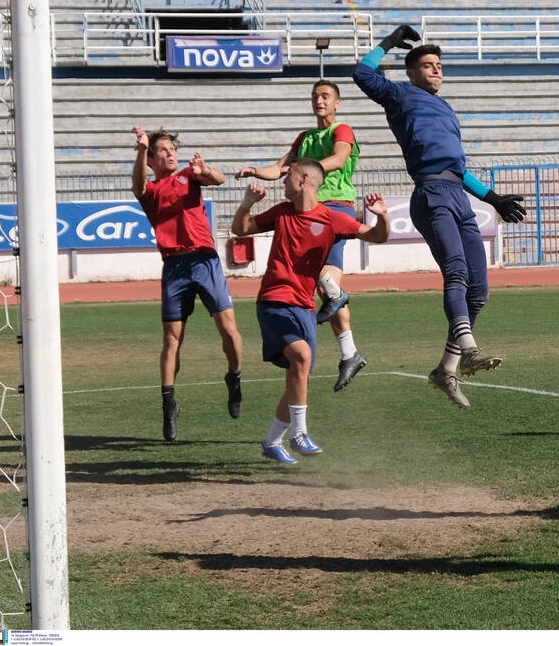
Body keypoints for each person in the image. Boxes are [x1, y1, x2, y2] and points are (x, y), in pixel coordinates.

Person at [352, 25, 527, 409]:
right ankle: (468, 349)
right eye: (429, 66)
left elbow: (458, 168)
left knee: (479, 291)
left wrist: (493, 198)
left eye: (440, 67)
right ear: (412, 71)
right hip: (430, 193)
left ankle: (445, 370)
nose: (437, 72)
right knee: (457, 273)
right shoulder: (400, 93)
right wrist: (387, 42)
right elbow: (362, 74)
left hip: (458, 197)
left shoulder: (446, 110)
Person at [231, 158, 389, 463]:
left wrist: (382, 217)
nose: (283, 180)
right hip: (273, 301)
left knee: (299, 373)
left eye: (288, 175)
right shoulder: (281, 213)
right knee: (301, 358)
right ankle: (299, 433)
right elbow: (241, 229)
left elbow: (378, 236)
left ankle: (272, 441)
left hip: (305, 306)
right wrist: (247, 203)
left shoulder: (332, 219)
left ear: (304, 180)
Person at [237, 80, 367, 393]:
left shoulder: (342, 130)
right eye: (314, 96)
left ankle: (338, 312)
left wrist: (308, 174)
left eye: (325, 96)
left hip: (334, 206)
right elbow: (281, 167)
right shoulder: (304, 137)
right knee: (322, 285)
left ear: (337, 103)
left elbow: (338, 159)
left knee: (322, 279)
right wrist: (256, 170)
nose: (318, 101)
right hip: (309, 210)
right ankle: (349, 352)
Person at [131, 126, 244, 442]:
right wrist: (141, 148)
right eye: (162, 150)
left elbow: (218, 179)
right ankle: (168, 404)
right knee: (171, 339)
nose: (170, 153)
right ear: (151, 159)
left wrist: (205, 170)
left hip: (205, 260)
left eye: (172, 149)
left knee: (230, 331)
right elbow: (137, 184)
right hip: (175, 267)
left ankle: (234, 378)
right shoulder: (151, 190)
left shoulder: (188, 176)